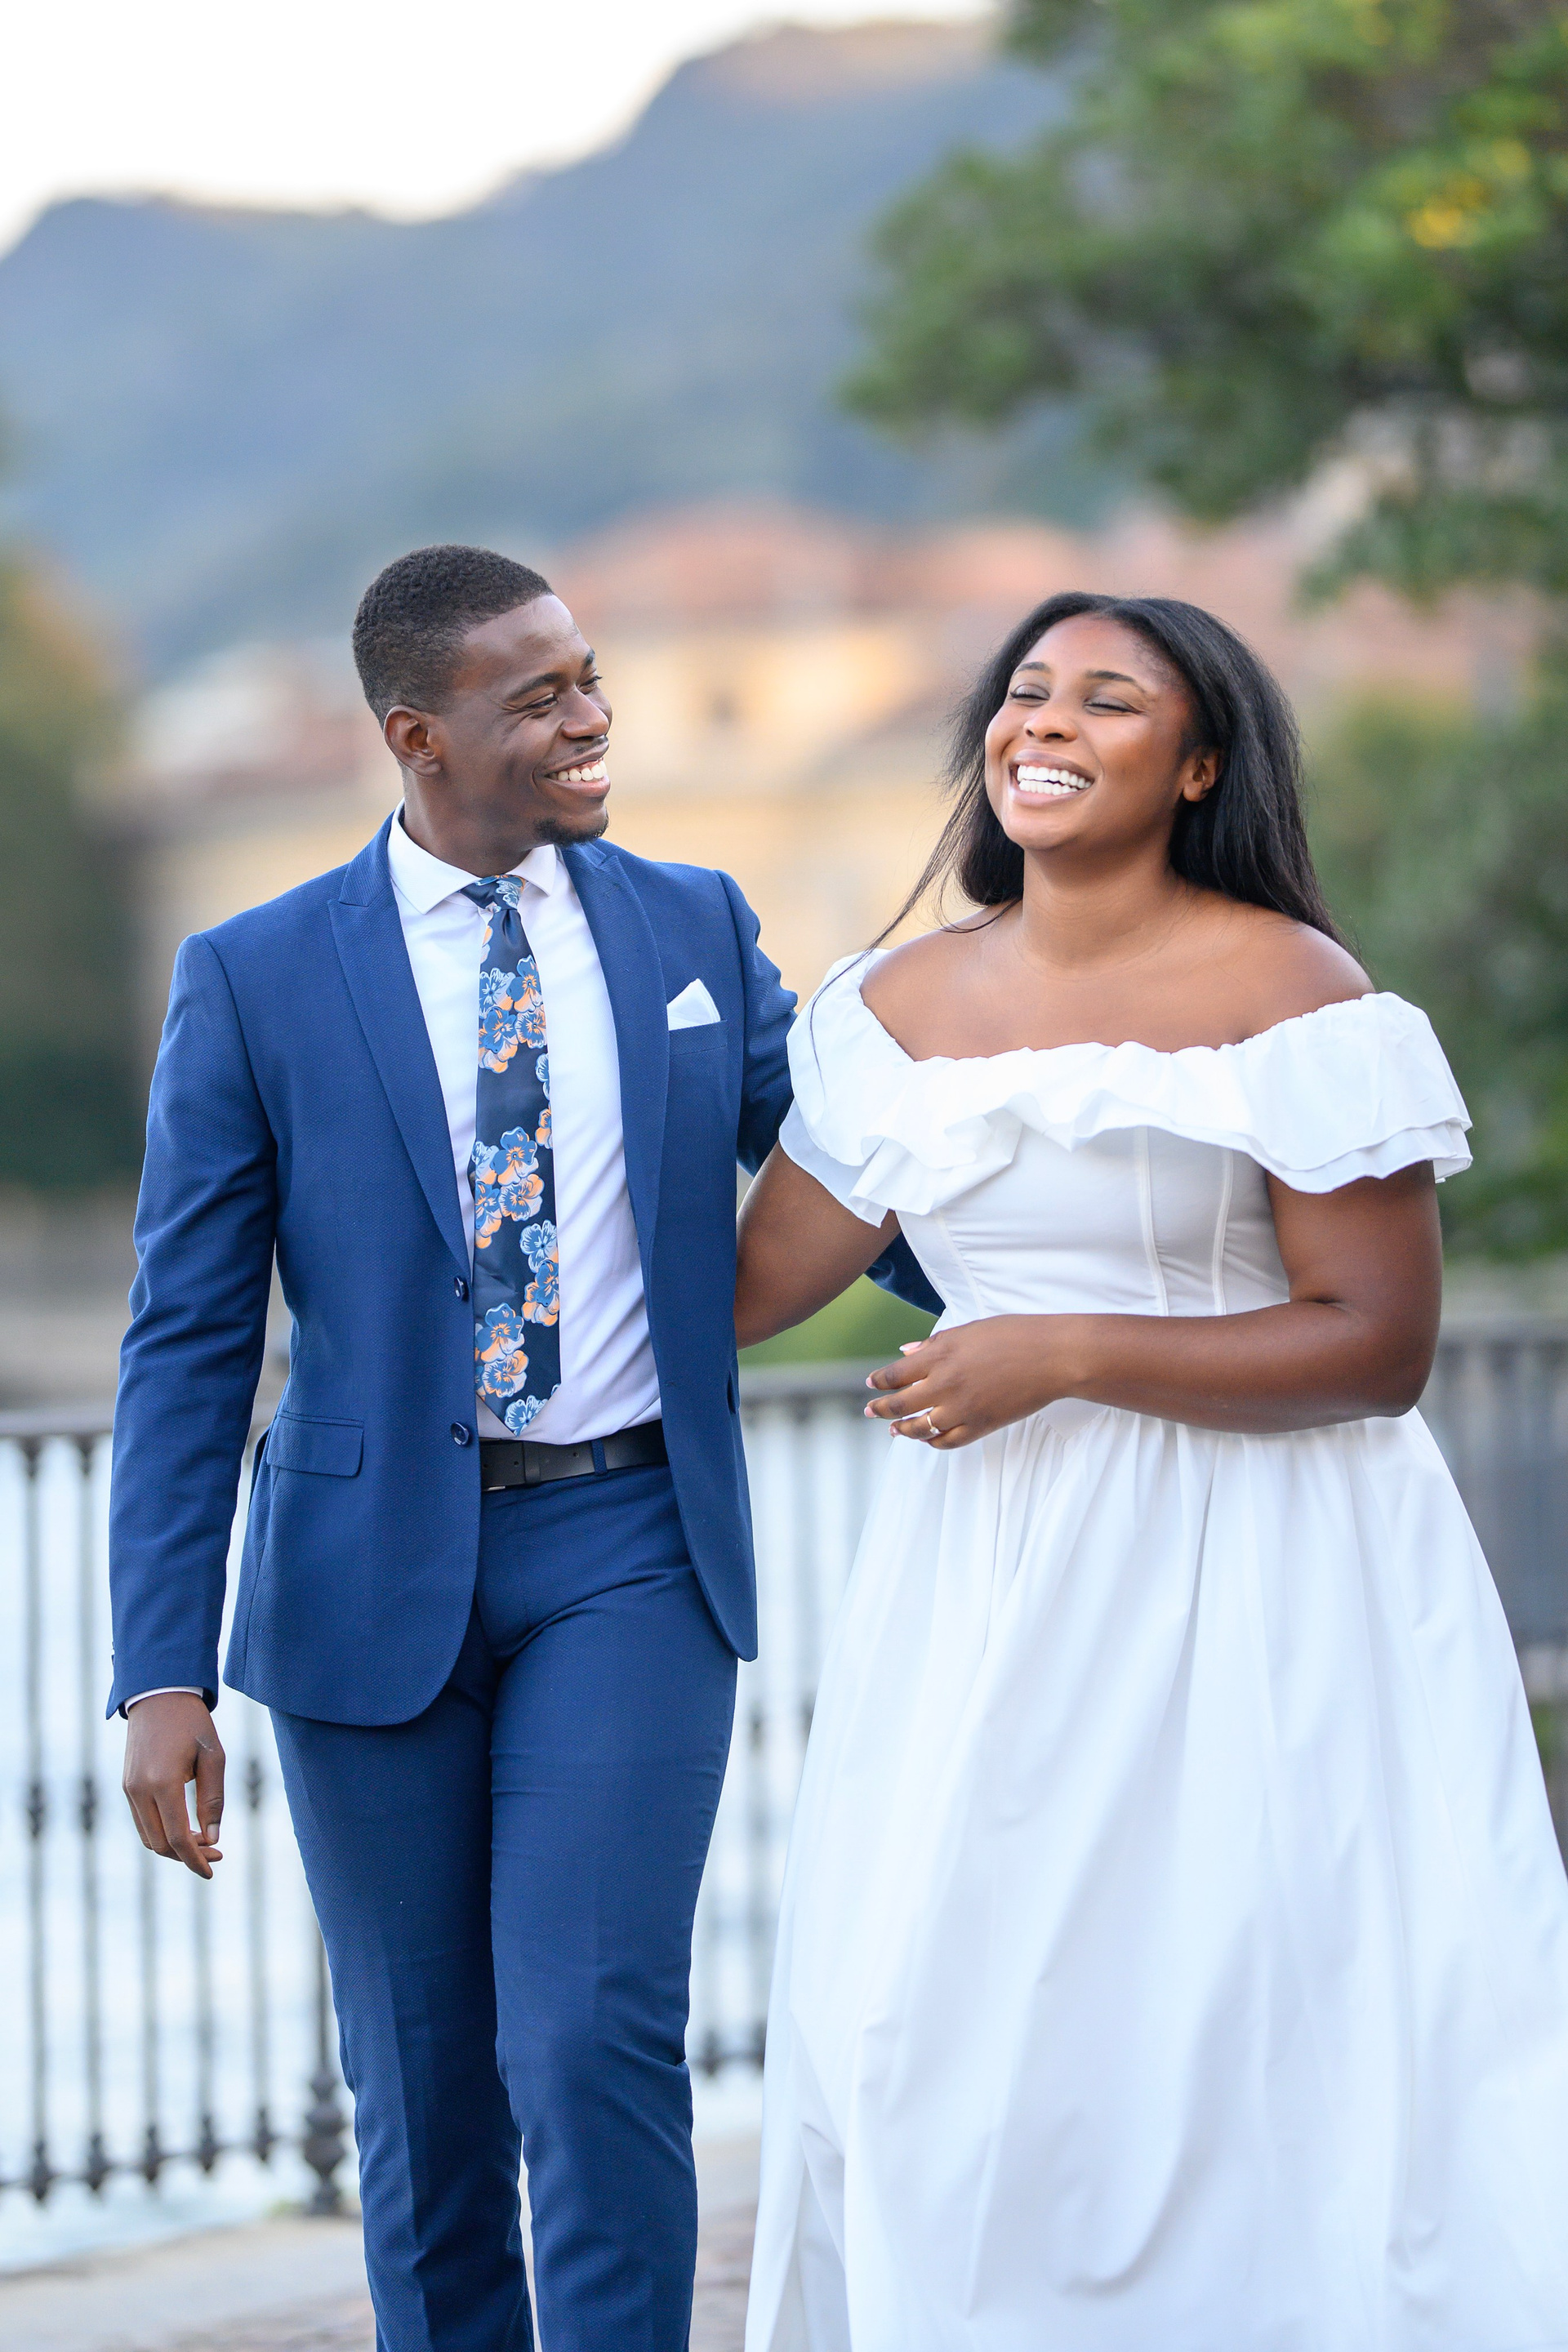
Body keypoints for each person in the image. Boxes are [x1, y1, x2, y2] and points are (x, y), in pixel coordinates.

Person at [108, 545, 934, 2352]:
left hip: (629, 1544)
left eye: (591, 678)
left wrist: (1047, 1298)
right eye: (540, 696)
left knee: (589, 2035)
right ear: (418, 734)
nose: (591, 718)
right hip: (360, 1574)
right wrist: (161, 1668)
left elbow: (848, 1177)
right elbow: (186, 1340)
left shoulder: (691, 926)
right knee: (422, 2086)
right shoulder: (254, 975)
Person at [737, 591, 1568, 2349]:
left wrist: (1066, 1351)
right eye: (1027, 690)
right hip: (985, 1579)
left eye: (1108, 699)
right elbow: (737, 1293)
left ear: (1199, 766)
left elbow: (1377, 1345)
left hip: (1263, 1562)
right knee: (927, 2022)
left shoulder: (1293, 992)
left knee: (1242, 2026)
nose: (1046, 721)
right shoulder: (893, 1005)